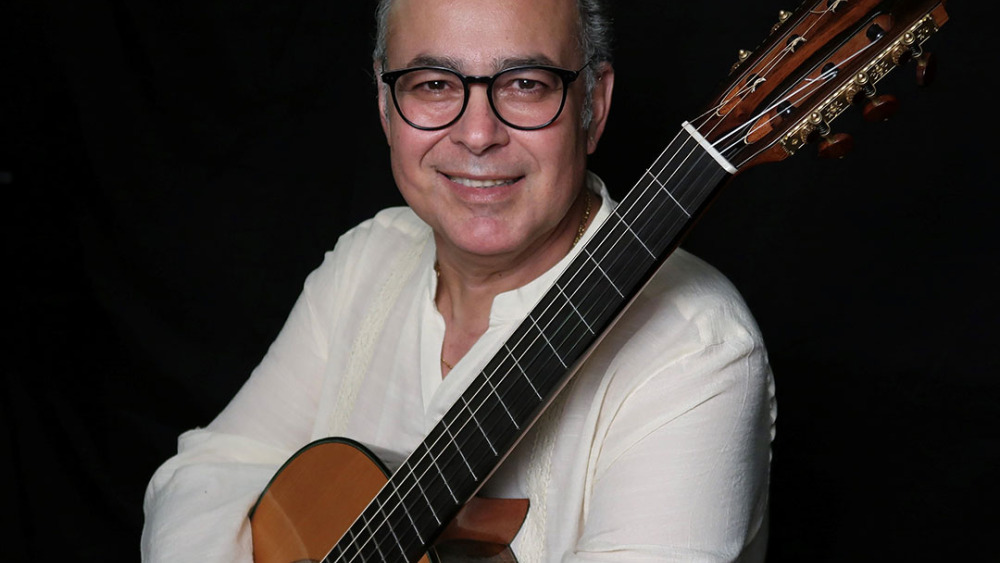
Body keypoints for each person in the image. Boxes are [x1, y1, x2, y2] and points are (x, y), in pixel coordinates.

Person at [141, 0, 776, 560]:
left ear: (595, 104)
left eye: (526, 83)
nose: (477, 135)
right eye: (434, 84)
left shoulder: (697, 351)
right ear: (386, 105)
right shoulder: (370, 257)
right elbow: (209, 473)